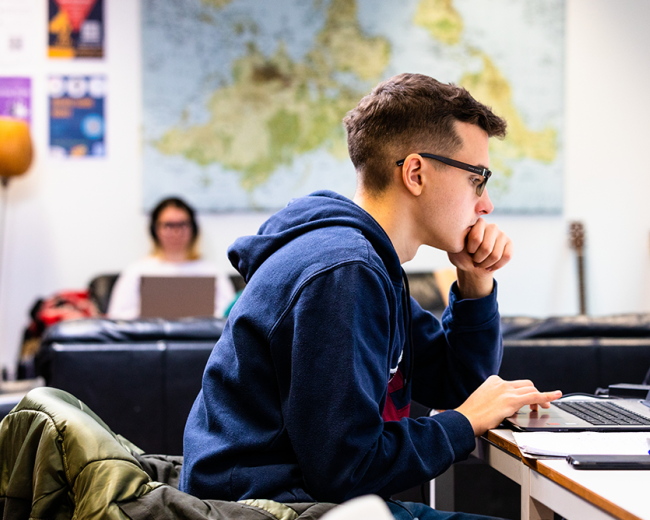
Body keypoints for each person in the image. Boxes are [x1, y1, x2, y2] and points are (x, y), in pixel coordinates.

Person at [180, 73, 561, 519]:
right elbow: (346, 467)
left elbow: (460, 383)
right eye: (478, 179)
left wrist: (474, 281)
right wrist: (464, 423)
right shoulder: (344, 270)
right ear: (416, 173)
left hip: (304, 500)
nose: (486, 203)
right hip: (271, 510)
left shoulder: (368, 264)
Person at [107, 196, 235, 319]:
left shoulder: (211, 271)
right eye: (168, 225)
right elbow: (117, 317)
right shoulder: (136, 271)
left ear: (193, 229)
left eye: (182, 224)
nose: (176, 232)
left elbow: (228, 316)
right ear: (155, 229)